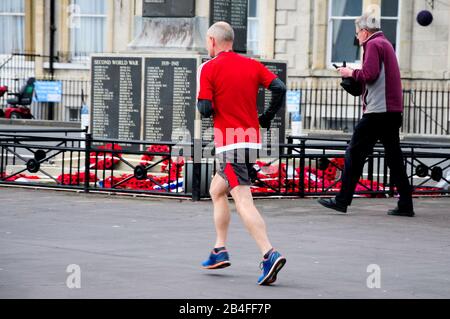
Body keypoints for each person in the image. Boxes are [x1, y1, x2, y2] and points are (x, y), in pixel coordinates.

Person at [197, 21, 287, 285]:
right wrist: (267, 116)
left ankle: (269, 253)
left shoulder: (209, 67)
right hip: (250, 139)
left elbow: (204, 109)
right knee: (216, 190)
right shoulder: (252, 65)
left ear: (212, 41)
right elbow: (279, 88)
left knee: (243, 200)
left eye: (206, 41)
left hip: (229, 142)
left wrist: (212, 105)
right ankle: (219, 249)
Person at [318, 12, 415, 217]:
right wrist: (355, 74)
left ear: (364, 31)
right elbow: (376, 76)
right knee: (394, 158)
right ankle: (406, 203)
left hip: (378, 112)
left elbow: (369, 75)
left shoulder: (373, 44)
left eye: (357, 33)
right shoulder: (385, 43)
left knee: (354, 153)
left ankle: (342, 200)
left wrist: (349, 73)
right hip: (391, 111)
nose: (356, 37)